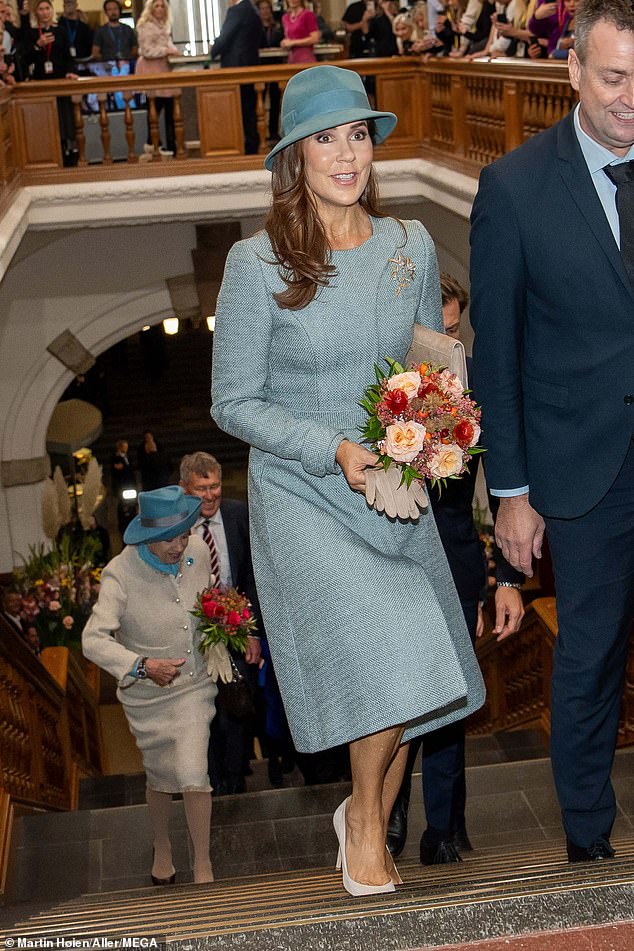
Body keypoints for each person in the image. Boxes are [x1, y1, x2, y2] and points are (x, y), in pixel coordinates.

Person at [211, 64, 485, 895]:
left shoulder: (408, 245)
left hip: (391, 486)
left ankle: (363, 814)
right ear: (295, 156)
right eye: (324, 138)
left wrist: (443, 418)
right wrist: (331, 448)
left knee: (418, 665)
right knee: (394, 642)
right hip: (302, 490)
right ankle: (366, 818)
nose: (345, 154)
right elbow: (232, 402)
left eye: (357, 134)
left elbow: (422, 362)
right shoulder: (255, 262)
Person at [470, 0, 634, 864]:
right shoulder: (515, 188)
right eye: (614, 78)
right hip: (581, 472)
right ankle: (587, 842)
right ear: (571, 70)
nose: (630, 98)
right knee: (590, 660)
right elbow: (496, 357)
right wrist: (511, 493)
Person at [387, 274, 525, 865]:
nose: (444, 337)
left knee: (450, 699)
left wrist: (510, 579)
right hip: (392, 560)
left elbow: (507, 489)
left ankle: (443, 829)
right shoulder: (385, 388)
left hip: (460, 559)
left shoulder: (480, 387)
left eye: (452, 327)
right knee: (396, 700)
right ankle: (385, 818)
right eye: (434, 326)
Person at [82, 485, 217, 885]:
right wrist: (140, 666)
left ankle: (204, 863)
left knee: (194, 771)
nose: (181, 546)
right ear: (147, 538)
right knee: (160, 776)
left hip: (194, 685)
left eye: (184, 534)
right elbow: (92, 640)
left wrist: (227, 631)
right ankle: (162, 844)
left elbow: (207, 602)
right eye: (170, 539)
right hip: (148, 697)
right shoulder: (119, 574)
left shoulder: (198, 551)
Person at [179, 451, 262, 796]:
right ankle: (209, 782)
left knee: (236, 707)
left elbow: (254, 576)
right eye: (202, 488)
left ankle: (235, 781)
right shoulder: (176, 527)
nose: (211, 495)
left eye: (214, 486)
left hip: (238, 630)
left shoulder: (238, 515)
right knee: (202, 712)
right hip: (194, 636)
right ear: (184, 489)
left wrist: (253, 632)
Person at [17, 0, 78, 163]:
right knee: (46, 121)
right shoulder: (31, 33)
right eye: (41, 9)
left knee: (64, 118)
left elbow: (70, 57)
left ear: (51, 11)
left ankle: (69, 150)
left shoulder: (62, 31)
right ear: (36, 12)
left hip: (60, 80)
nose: (44, 12)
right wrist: (38, 45)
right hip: (41, 82)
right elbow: (23, 59)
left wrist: (71, 72)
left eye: (47, 9)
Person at [210, 0, 262, 156]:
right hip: (251, 66)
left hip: (235, 69)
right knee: (249, 109)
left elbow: (225, 37)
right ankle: (252, 146)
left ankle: (243, 147)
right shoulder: (253, 10)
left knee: (238, 110)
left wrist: (212, 51)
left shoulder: (236, 10)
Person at [135, 0, 179, 159]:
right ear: (151, 9)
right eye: (157, 6)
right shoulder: (146, 26)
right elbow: (146, 51)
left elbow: (169, 46)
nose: (160, 9)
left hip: (164, 70)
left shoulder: (164, 26)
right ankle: (154, 144)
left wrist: (174, 51)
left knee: (170, 109)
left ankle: (171, 145)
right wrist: (166, 50)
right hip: (150, 71)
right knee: (154, 109)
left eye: (162, 6)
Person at [257, 0, 284, 142]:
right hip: (260, 67)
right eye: (262, 9)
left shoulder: (277, 26)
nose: (265, 11)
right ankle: (260, 132)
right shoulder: (255, 26)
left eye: (267, 8)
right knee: (259, 100)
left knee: (275, 100)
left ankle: (274, 132)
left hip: (275, 67)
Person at [91, 0, 138, 64]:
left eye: (115, 8)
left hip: (127, 64)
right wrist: (106, 62)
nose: (113, 12)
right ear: (106, 12)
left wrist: (128, 59)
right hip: (107, 66)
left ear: (120, 10)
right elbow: (95, 53)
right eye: (109, 9)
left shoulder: (128, 29)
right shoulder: (100, 31)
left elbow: (135, 49)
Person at [281, 0, 319, 64]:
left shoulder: (308, 15)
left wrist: (292, 43)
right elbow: (289, 38)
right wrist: (284, 42)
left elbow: (315, 38)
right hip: (291, 59)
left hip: (305, 58)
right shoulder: (285, 17)